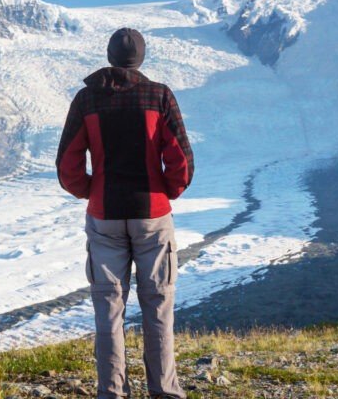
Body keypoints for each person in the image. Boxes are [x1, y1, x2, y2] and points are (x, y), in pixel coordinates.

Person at [56, 27, 193, 399]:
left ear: (110, 55)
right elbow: (181, 160)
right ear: (141, 58)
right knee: (158, 306)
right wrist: (168, 191)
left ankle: (112, 393)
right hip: (152, 214)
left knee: (108, 309)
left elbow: (67, 163)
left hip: (105, 215)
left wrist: (91, 190)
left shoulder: (86, 100)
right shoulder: (159, 95)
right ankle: (164, 392)